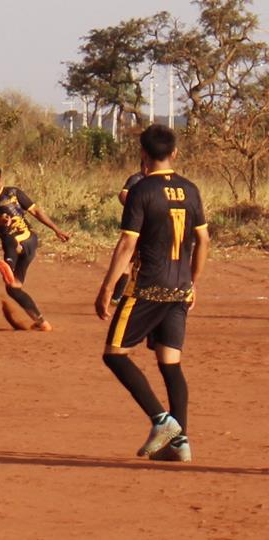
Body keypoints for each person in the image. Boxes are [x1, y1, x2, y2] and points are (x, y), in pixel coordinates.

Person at [95, 124, 209, 462]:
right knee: (170, 364)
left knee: (114, 354)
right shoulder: (191, 190)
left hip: (148, 287)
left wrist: (105, 287)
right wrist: (192, 281)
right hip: (179, 289)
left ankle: (162, 421)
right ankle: (180, 444)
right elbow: (203, 240)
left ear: (143, 154)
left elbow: (128, 243)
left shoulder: (142, 190)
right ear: (174, 153)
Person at [0, 165, 70, 331]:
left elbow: (37, 212)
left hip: (28, 240)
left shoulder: (13, 193)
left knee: (10, 237)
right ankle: (42, 323)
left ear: (0, 181)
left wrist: (56, 229)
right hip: (18, 249)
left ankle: (9, 267)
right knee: (13, 288)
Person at [111, 161, 147, 304]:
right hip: (136, 228)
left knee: (137, 262)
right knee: (129, 261)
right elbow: (122, 194)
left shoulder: (155, 181)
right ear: (144, 165)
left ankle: (123, 295)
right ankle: (117, 296)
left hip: (148, 228)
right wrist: (136, 208)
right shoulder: (136, 178)